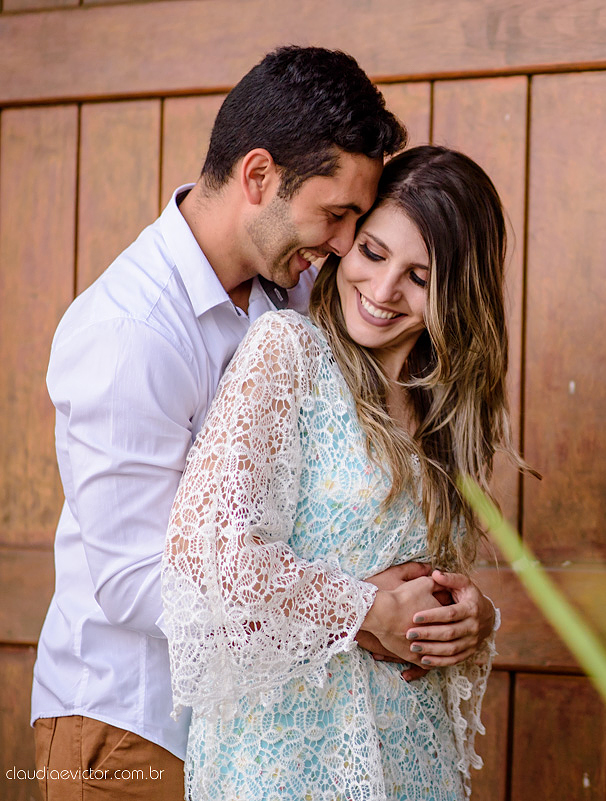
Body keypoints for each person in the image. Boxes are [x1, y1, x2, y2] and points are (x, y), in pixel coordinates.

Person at [31, 47, 494, 801]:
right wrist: (364, 611)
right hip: (131, 724)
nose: (344, 244)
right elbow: (135, 581)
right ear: (258, 178)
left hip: (267, 733)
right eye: (337, 215)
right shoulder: (128, 333)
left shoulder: (295, 289)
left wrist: (440, 609)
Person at [161, 145, 514, 800]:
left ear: (456, 294)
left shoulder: (445, 411)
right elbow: (213, 562)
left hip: (413, 763)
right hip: (287, 763)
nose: (382, 290)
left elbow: (422, 578)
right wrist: (366, 609)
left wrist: (474, 618)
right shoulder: (289, 352)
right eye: (373, 253)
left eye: (419, 276)